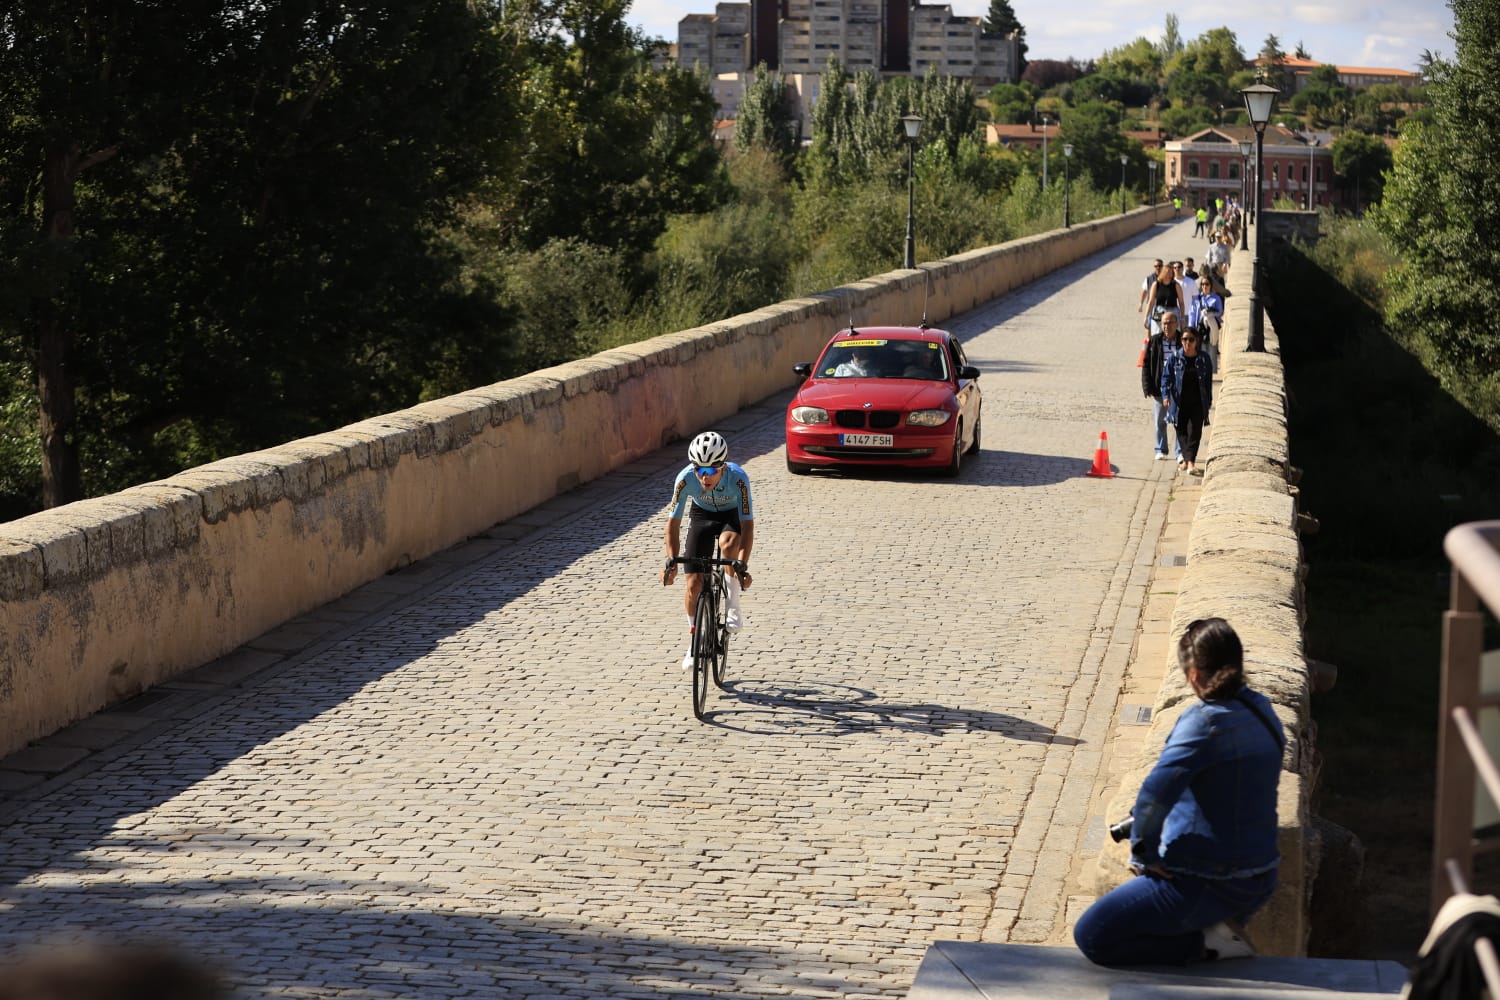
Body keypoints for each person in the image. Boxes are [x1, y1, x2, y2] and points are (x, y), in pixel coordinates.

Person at [1074, 617, 1283, 966]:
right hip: (1262, 872)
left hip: (1211, 880)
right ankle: (1207, 938)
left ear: (1194, 675)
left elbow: (1156, 793)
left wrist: (1144, 855)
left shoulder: (1205, 721)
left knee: (1093, 936)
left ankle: (1206, 945)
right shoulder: (1261, 709)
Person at [661, 431, 754, 669]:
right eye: (699, 470)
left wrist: (742, 564)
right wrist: (671, 561)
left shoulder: (738, 478)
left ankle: (733, 605)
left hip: (730, 517)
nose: (704, 477)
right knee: (693, 585)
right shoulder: (684, 479)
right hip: (701, 516)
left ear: (722, 467)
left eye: (711, 470)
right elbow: (673, 523)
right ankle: (694, 643)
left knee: (729, 545)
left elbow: (747, 524)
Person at [1163, 322, 1215, 476]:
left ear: (1196, 341)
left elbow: (1207, 383)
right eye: (1185, 339)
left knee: (1195, 433)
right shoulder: (1175, 358)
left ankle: (1190, 463)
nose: (1188, 343)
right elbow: (1166, 378)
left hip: (1197, 402)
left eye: (1191, 340)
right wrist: (1166, 396)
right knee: (1181, 432)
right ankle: (1187, 461)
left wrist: (1209, 401)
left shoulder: (1204, 359)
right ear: (1181, 341)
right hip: (1179, 403)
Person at [1141, 310, 1183, 462]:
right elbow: (1146, 364)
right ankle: (1160, 448)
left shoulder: (1183, 340)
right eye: (1164, 323)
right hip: (1160, 387)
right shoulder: (1155, 341)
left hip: (1179, 387)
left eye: (1169, 323)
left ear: (1176, 324)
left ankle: (1180, 452)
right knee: (1160, 420)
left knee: (1180, 421)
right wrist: (1147, 386)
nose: (1166, 326)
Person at [1187, 276, 1225, 372]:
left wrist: (1210, 314)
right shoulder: (1197, 299)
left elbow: (1220, 312)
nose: (1205, 286)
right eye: (1203, 284)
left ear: (1211, 285)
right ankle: (1202, 373)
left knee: (1212, 350)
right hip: (1200, 328)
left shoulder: (1216, 298)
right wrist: (1191, 328)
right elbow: (1192, 313)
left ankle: (1212, 373)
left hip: (1212, 328)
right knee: (1201, 351)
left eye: (1207, 284)